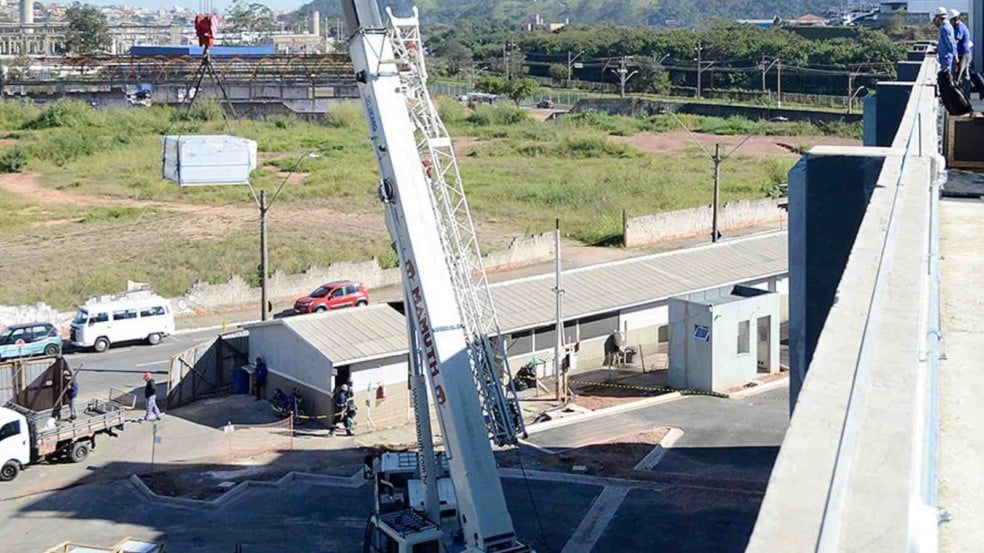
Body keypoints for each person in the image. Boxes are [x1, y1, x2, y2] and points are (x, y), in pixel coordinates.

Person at [951, 9, 974, 86]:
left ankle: (960, 89)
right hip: (964, 53)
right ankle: (965, 89)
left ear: (955, 19)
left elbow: (956, 40)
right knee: (964, 74)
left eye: (951, 20)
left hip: (964, 53)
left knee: (959, 73)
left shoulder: (959, 27)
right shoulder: (957, 26)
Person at [933, 7, 958, 76]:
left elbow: (951, 43)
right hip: (944, 57)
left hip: (947, 58)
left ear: (938, 17)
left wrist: (955, 55)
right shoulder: (945, 27)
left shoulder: (945, 28)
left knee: (947, 77)